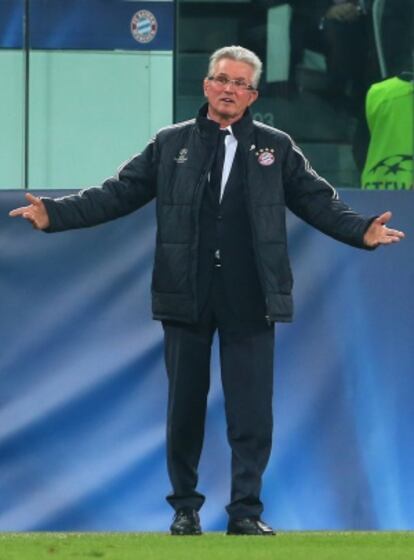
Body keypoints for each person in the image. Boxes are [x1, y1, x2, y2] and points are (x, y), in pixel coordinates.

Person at [9, 45, 404, 536]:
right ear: (206, 85)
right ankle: (185, 509)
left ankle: (246, 512)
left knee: (252, 412)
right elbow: (118, 192)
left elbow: (317, 200)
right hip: (186, 294)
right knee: (184, 409)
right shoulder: (170, 143)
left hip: (252, 295)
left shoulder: (275, 147)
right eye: (222, 79)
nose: (229, 90)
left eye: (240, 84)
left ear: (253, 95)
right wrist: (56, 214)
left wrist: (360, 231)